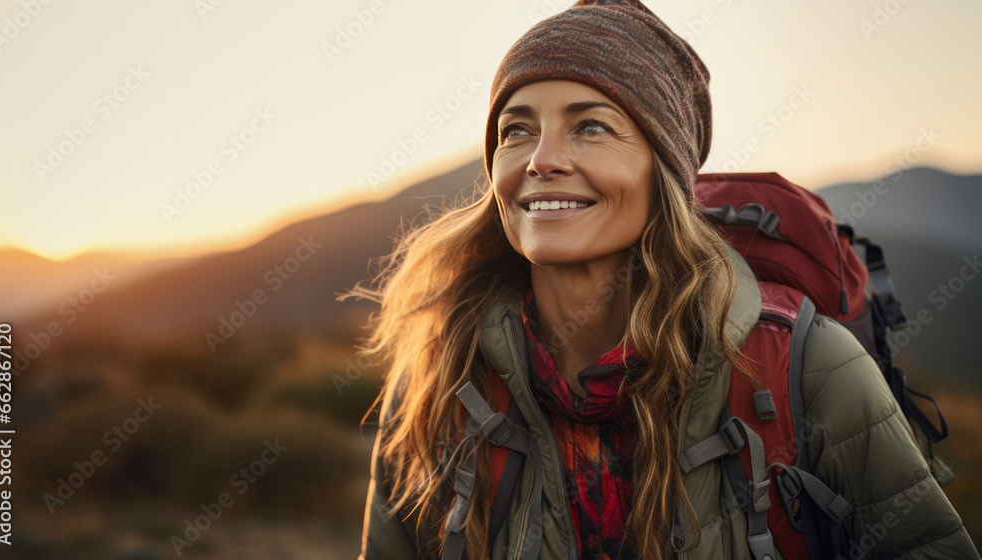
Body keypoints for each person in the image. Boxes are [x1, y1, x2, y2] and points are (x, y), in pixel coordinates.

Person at [349, 1, 980, 558]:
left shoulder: (808, 369)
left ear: (666, 171)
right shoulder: (442, 374)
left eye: (590, 125)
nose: (540, 159)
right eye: (516, 130)